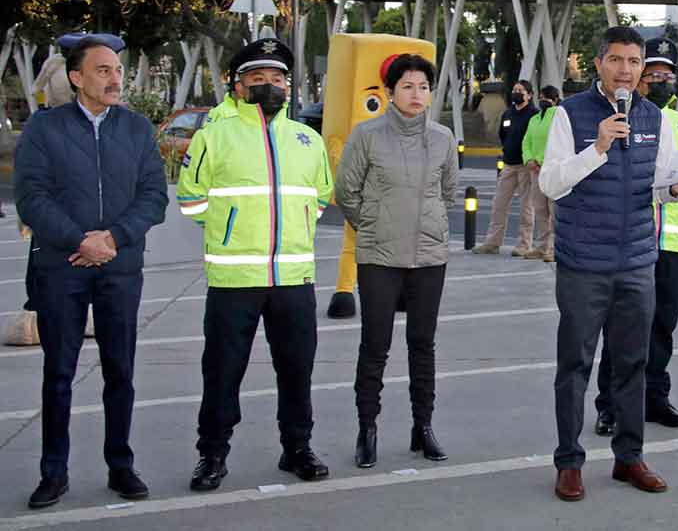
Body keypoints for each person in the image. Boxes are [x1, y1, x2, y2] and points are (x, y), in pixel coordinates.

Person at [540, 26, 678, 502]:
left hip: (636, 262)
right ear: (599, 64)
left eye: (634, 62)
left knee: (632, 364)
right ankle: (569, 462)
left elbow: (653, 185)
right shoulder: (570, 115)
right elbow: (551, 183)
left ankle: (629, 457)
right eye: (616, 60)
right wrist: (598, 148)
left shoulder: (655, 118)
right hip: (582, 264)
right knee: (575, 366)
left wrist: (674, 189)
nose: (626, 70)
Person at [15, 35, 167, 508]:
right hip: (61, 268)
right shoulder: (44, 130)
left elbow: (153, 197)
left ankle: (120, 465)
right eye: (102, 70)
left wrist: (112, 239)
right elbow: (32, 197)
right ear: (76, 77)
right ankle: (53, 472)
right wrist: (80, 240)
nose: (115, 78)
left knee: (120, 370)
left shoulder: (137, 130)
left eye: (117, 69)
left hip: (120, 268)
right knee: (59, 373)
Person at [177, 38, 333, 491]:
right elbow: (191, 200)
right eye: (258, 78)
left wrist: (292, 231)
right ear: (238, 84)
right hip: (233, 280)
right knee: (222, 372)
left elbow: (320, 198)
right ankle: (212, 455)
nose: (270, 85)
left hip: (293, 278)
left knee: (297, 370)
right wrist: (233, 228)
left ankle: (297, 448)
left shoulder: (307, 139)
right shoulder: (214, 135)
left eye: (278, 78)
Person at [335, 54, 459, 467]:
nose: (417, 94)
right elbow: (347, 191)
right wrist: (373, 223)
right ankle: (366, 429)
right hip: (379, 255)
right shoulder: (366, 135)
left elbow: (448, 191)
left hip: (429, 256)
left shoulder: (442, 137)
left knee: (423, 345)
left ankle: (423, 427)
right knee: (376, 345)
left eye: (423, 86)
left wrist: (430, 225)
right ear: (390, 91)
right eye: (407, 86)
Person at [595, 37, 678, 435]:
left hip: (671, 247)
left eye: (665, 74)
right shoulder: (623, 118)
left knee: (662, 329)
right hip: (631, 244)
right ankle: (609, 405)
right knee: (620, 329)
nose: (659, 79)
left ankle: (655, 397)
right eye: (652, 73)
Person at [472, 80, 539, 256]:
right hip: (509, 165)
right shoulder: (507, 114)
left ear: (530, 95)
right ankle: (493, 242)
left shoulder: (534, 115)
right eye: (514, 90)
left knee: (526, 207)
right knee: (499, 204)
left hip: (526, 166)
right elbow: (503, 135)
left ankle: (524, 245)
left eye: (521, 91)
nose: (516, 93)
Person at [521, 85, 561, 262]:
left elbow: (558, 141)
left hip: (551, 169)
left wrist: (543, 161)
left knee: (554, 211)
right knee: (540, 209)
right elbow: (526, 141)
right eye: (542, 96)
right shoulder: (535, 118)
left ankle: (553, 249)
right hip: (535, 171)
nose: (544, 100)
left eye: (548, 97)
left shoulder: (559, 116)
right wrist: (529, 159)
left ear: (556, 100)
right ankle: (542, 246)